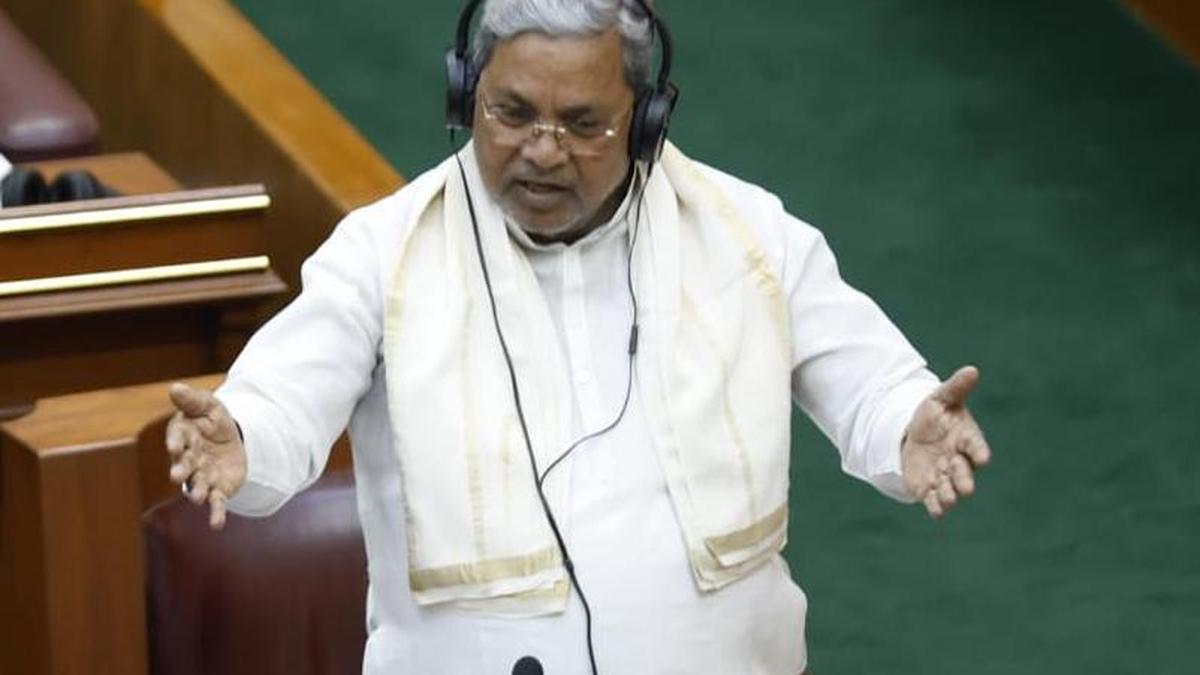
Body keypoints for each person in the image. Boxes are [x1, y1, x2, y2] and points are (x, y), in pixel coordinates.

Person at [165, 1, 991, 673]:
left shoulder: (749, 236)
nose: (542, 151)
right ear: (466, 97)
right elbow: (284, 399)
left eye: (583, 123)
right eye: (512, 113)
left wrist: (906, 422)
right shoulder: (384, 254)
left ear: (646, 120)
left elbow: (867, 381)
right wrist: (244, 436)